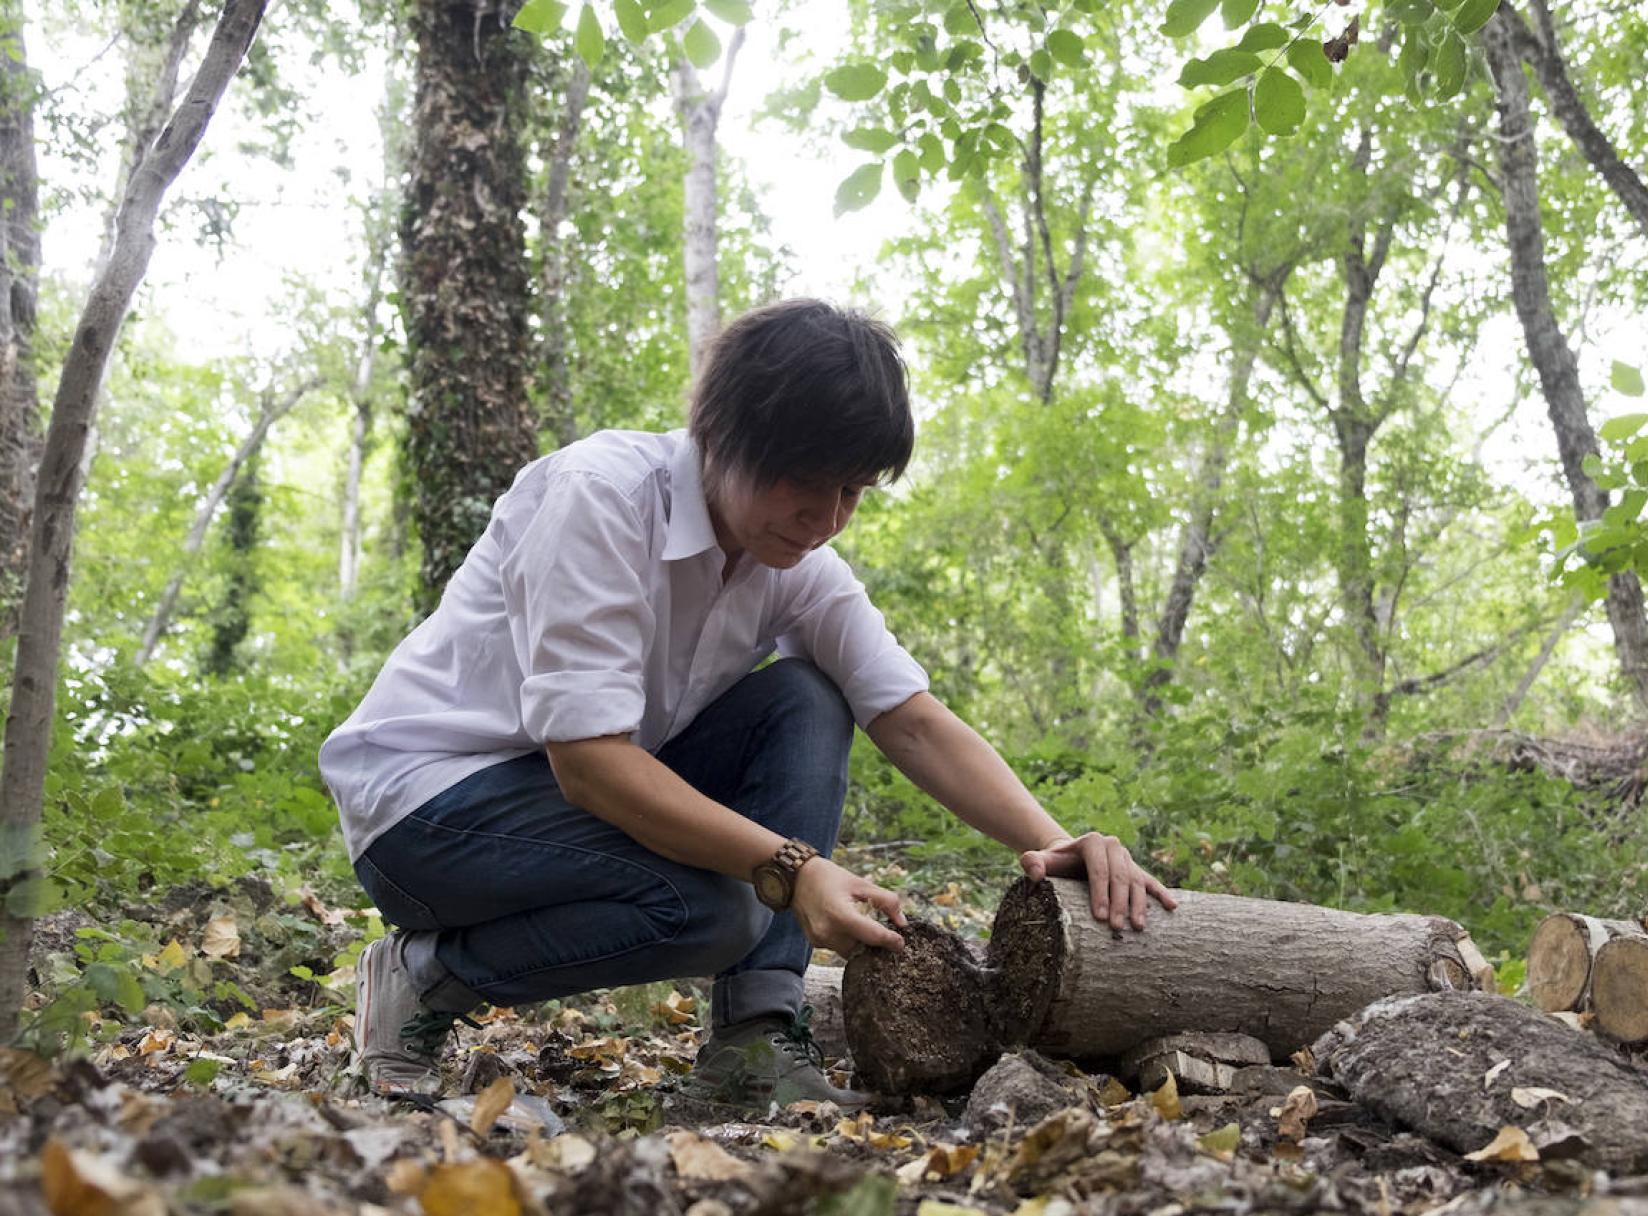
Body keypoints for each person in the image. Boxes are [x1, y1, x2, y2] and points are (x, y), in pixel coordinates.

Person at [318, 298, 1176, 1110]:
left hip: (558, 805)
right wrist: (795, 871)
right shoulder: (602, 497)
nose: (827, 517)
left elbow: (911, 718)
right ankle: (418, 977)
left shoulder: (798, 567)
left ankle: (757, 1038)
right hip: (426, 812)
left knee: (808, 695)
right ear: (723, 435)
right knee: (715, 906)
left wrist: (1055, 842)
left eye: (854, 491)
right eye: (806, 480)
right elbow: (589, 765)